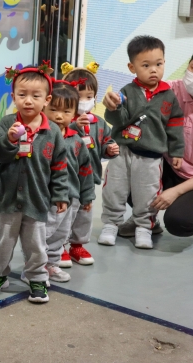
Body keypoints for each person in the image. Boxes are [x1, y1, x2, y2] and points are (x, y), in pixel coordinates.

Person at [0, 62, 68, 304]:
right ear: (13, 97)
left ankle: (37, 277)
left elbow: (59, 166)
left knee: (36, 245)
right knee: (3, 242)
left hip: (37, 199)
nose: (28, 101)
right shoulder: (6, 123)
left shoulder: (52, 131)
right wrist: (10, 139)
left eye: (35, 96)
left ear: (47, 99)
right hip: (6, 199)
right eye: (22, 95)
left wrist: (60, 194)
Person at [101, 35, 185, 249]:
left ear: (164, 63)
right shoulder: (127, 92)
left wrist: (176, 151)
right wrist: (114, 107)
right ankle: (111, 224)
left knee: (147, 193)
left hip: (151, 157)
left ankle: (144, 227)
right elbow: (117, 120)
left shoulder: (169, 96)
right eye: (146, 65)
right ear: (132, 67)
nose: (153, 70)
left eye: (158, 64)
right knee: (115, 189)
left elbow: (175, 126)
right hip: (122, 151)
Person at [120, 55, 193, 239]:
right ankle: (145, 219)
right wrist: (114, 104)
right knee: (124, 174)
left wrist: (176, 191)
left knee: (178, 221)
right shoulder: (168, 91)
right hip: (169, 165)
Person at [61, 62, 119, 266]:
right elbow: (57, 140)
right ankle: (59, 246)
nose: (84, 101)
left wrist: (110, 148)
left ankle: (77, 245)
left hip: (89, 176)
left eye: (89, 96)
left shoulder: (99, 123)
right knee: (64, 212)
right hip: (65, 177)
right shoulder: (62, 121)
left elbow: (105, 141)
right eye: (79, 97)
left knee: (84, 211)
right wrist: (73, 125)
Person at [42, 81, 94, 283]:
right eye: (53, 110)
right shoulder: (41, 137)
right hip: (47, 197)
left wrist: (87, 195)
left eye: (66, 111)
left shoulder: (77, 140)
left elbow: (85, 170)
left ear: (74, 114)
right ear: (44, 107)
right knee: (43, 234)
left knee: (61, 234)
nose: (58, 116)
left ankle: (52, 265)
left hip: (71, 198)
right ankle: (36, 267)